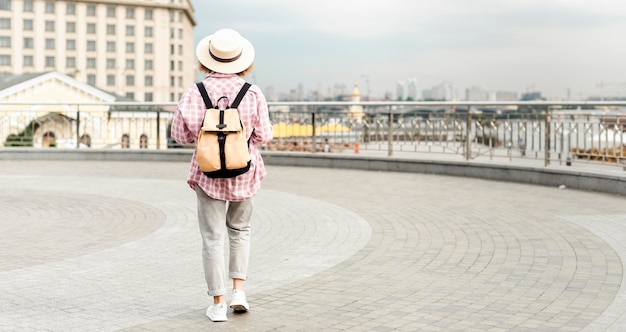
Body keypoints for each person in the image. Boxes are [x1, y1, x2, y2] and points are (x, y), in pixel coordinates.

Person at [170, 28, 273, 322]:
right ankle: (239, 291)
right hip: (244, 173)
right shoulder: (252, 93)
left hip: (208, 174)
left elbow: (180, 135)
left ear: (208, 59)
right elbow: (264, 135)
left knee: (212, 239)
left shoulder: (196, 92)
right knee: (240, 232)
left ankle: (217, 304)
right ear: (242, 61)